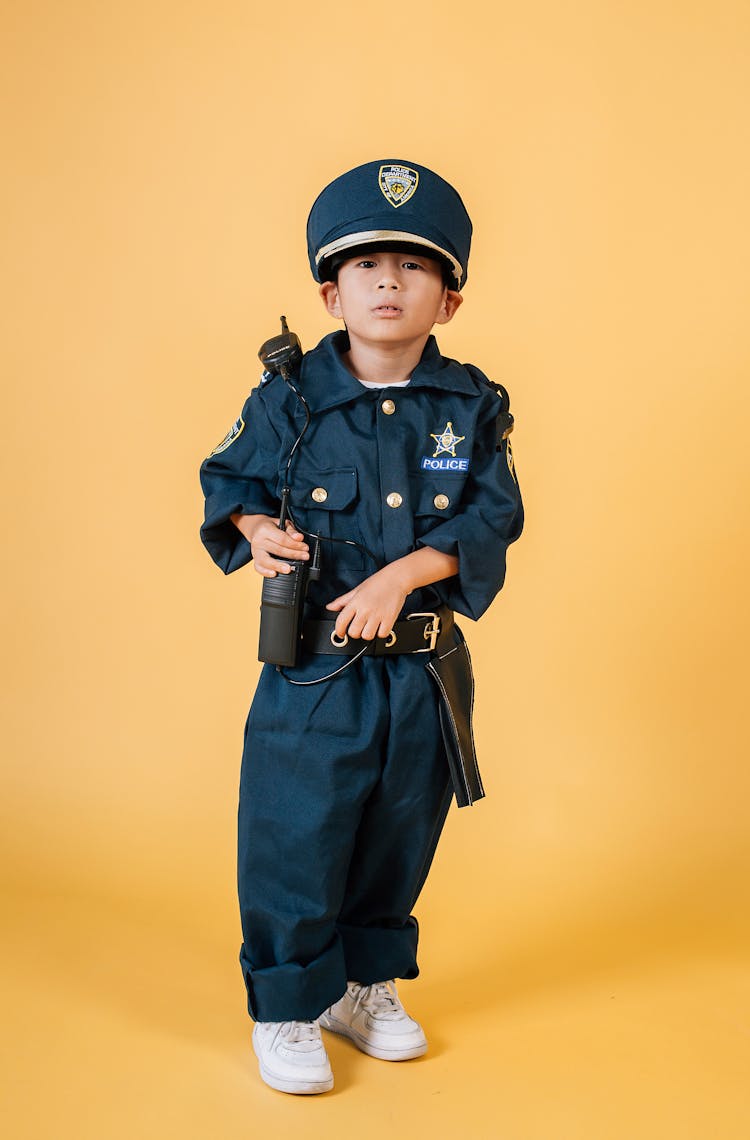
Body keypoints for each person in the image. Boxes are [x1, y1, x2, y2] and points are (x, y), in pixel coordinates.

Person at [199, 159, 523, 1095]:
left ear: (449, 300)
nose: (390, 281)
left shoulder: (472, 404)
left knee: (399, 827)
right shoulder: (286, 398)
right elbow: (232, 485)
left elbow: (493, 517)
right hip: (313, 673)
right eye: (368, 265)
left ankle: (362, 985)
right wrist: (257, 532)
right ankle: (290, 1003)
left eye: (416, 267)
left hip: (420, 669)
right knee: (295, 829)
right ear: (330, 291)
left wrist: (404, 576)